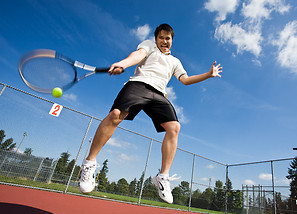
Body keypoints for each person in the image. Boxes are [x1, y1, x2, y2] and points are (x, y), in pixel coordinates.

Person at [79, 23, 222, 204]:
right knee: (115, 114)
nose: (164, 41)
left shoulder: (175, 62)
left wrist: (208, 74)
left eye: (167, 38)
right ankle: (89, 163)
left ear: (172, 41)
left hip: (159, 94)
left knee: (174, 127)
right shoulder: (148, 46)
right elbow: (137, 56)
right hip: (138, 85)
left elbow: (185, 80)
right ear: (156, 39)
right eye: (161, 37)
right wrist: (122, 64)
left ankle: (162, 177)